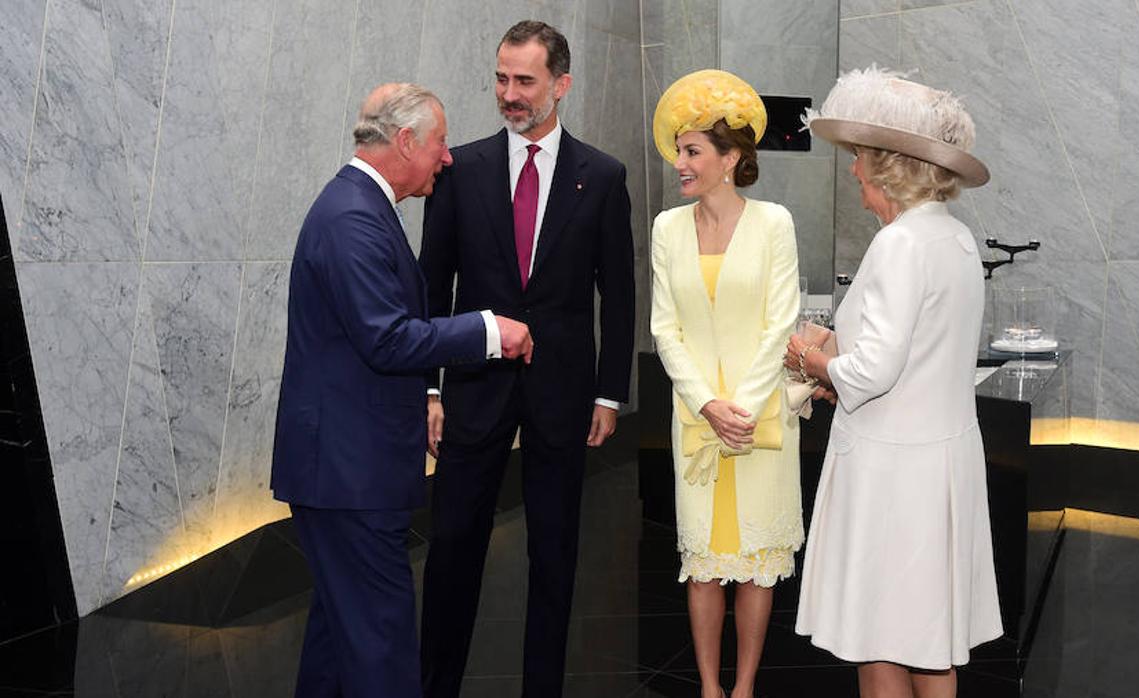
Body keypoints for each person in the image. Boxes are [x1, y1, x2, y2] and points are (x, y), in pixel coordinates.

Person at [270, 83, 533, 698]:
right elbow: (385, 339)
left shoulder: (360, 207)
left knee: (339, 641)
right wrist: (488, 330)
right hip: (348, 477)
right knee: (383, 650)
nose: (447, 157)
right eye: (440, 143)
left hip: (347, 473)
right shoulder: (352, 217)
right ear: (407, 141)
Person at [417, 20, 636, 698]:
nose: (509, 94)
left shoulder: (601, 177)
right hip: (473, 389)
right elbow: (433, 282)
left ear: (560, 84)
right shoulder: (461, 169)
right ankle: (434, 685)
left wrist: (608, 395)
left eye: (525, 81)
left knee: (555, 550)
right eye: (502, 78)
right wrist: (428, 388)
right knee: (452, 547)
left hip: (562, 395)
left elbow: (619, 294)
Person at [789, 66, 1003, 698]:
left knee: (880, 638)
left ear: (888, 165)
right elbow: (920, 354)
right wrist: (839, 359)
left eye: (858, 157)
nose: (853, 170)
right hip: (940, 462)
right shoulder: (955, 238)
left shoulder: (900, 243)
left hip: (892, 475)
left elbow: (874, 371)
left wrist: (810, 359)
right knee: (930, 642)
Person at [649, 69, 804, 698]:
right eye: (680, 151)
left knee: (757, 567)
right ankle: (709, 688)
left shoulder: (774, 223)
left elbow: (781, 321)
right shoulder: (666, 228)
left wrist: (738, 407)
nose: (681, 163)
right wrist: (706, 403)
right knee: (705, 566)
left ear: (730, 158)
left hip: (760, 419)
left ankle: (744, 688)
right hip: (697, 418)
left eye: (692, 152)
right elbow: (665, 329)